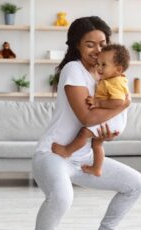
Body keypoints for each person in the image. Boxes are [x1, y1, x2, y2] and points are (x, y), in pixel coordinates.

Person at [32, 16, 141, 230]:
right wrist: (123, 105)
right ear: (77, 45)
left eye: (102, 44)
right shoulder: (73, 69)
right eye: (89, 44)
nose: (97, 49)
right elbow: (87, 118)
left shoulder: (105, 75)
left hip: (84, 157)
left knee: (136, 184)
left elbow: (100, 119)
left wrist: (103, 136)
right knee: (62, 198)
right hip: (53, 154)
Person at [51, 43, 130, 177]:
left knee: (84, 133)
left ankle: (67, 150)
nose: (98, 68)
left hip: (113, 119)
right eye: (98, 64)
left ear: (118, 69)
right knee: (97, 143)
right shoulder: (110, 79)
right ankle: (97, 168)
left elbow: (118, 102)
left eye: (103, 65)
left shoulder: (116, 82)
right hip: (113, 119)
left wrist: (97, 102)